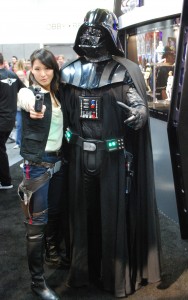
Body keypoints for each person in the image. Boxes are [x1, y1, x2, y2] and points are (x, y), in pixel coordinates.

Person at [60, 8, 161, 298]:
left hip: (113, 158)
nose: (91, 36)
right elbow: (62, 112)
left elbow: (136, 102)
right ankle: (82, 272)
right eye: (87, 31)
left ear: (109, 35)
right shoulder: (69, 71)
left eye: (97, 31)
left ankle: (114, 278)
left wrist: (140, 114)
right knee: (81, 217)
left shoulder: (124, 71)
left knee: (111, 217)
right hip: (79, 155)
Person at [17, 48, 68, 300]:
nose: (42, 73)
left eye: (47, 68)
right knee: (35, 225)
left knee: (55, 212)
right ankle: (37, 282)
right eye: (37, 68)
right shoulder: (28, 91)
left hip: (57, 163)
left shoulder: (58, 94)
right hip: (37, 165)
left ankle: (52, 251)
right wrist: (34, 106)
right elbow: (27, 100)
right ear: (30, 70)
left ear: (54, 69)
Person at [0, 53, 25, 189]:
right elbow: (24, 90)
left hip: (2, 119)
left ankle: (5, 181)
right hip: (10, 118)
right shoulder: (13, 75)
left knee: (1, 151)